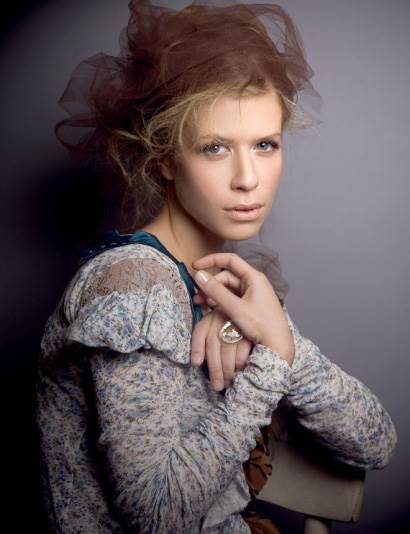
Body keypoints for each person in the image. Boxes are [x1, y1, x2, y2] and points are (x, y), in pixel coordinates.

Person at [36, 1, 397, 532]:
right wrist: (272, 361)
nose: (248, 178)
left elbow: (375, 443)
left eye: (265, 145)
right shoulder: (132, 287)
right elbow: (159, 517)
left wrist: (279, 344)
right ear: (164, 157)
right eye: (215, 148)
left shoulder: (226, 286)